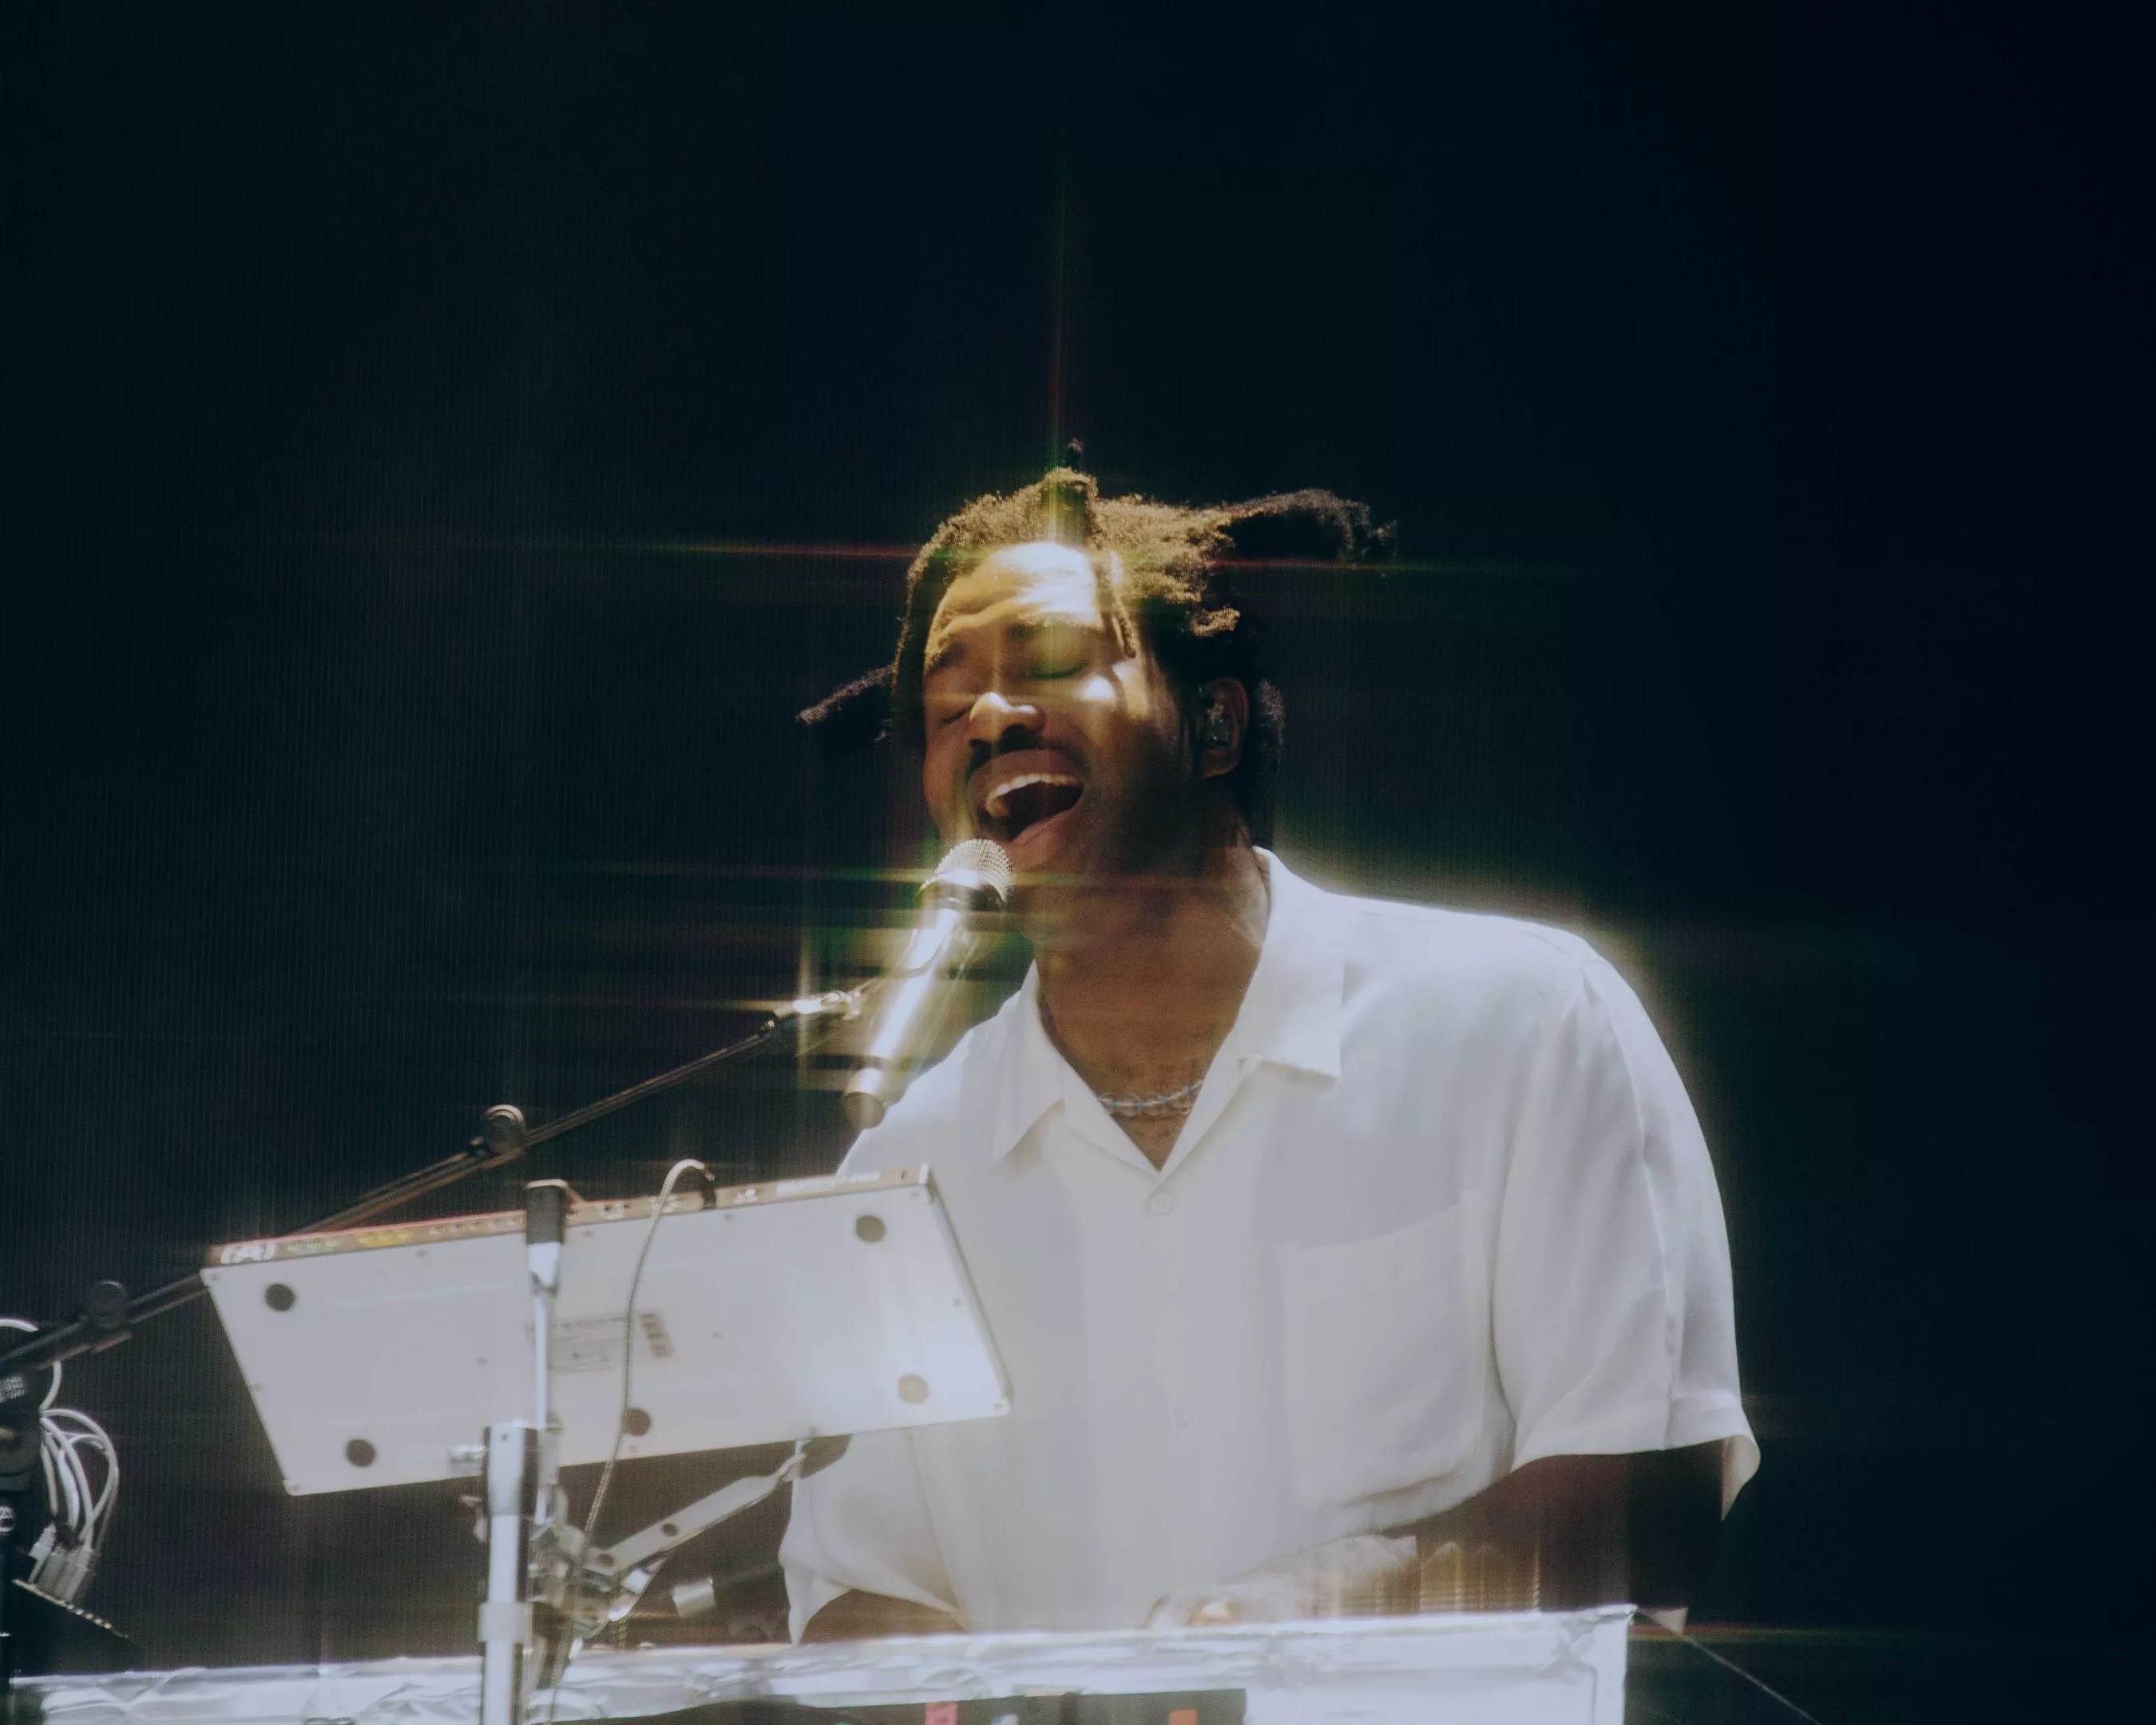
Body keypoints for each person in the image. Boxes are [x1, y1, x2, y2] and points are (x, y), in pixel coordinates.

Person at [780, 468, 1756, 1640]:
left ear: (1215, 725)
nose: (991, 718)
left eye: (1046, 662)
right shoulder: (910, 1167)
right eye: (949, 710)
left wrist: (1310, 1614)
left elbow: (1650, 1496)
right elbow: (851, 1588)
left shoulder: (1526, 1022)